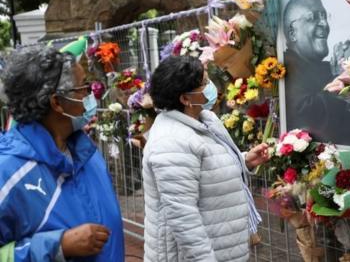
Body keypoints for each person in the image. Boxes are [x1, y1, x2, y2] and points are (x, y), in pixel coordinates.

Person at [0, 47, 124, 261]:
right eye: (83, 87)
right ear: (57, 102)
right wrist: (57, 246)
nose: (90, 94)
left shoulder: (86, 152)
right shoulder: (8, 172)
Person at [143, 56, 269, 262]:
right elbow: (184, 219)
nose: (211, 87)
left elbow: (207, 170)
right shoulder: (171, 143)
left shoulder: (205, 119)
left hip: (222, 246)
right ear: (185, 98)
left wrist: (244, 160)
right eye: (204, 83)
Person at [282, 0, 350, 146]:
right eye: (313, 18)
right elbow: (307, 114)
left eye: (324, 16)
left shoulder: (322, 67)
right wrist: (341, 78)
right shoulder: (284, 67)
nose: (323, 24)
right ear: (293, 33)